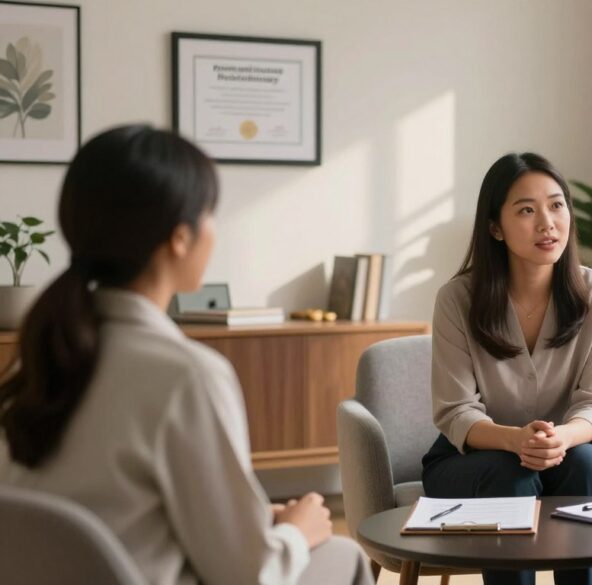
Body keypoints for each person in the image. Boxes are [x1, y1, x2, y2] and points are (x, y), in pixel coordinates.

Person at [0, 125, 372, 585]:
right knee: (341, 554)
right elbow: (249, 576)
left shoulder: (36, 359)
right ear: (179, 238)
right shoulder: (186, 375)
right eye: (210, 213)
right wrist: (297, 531)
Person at [422, 152, 592, 585]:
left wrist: (557, 440)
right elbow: (456, 410)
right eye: (526, 210)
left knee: (587, 464)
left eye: (556, 205)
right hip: (473, 461)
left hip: (561, 453)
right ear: (495, 227)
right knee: (509, 472)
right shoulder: (457, 299)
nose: (547, 223)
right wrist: (515, 441)